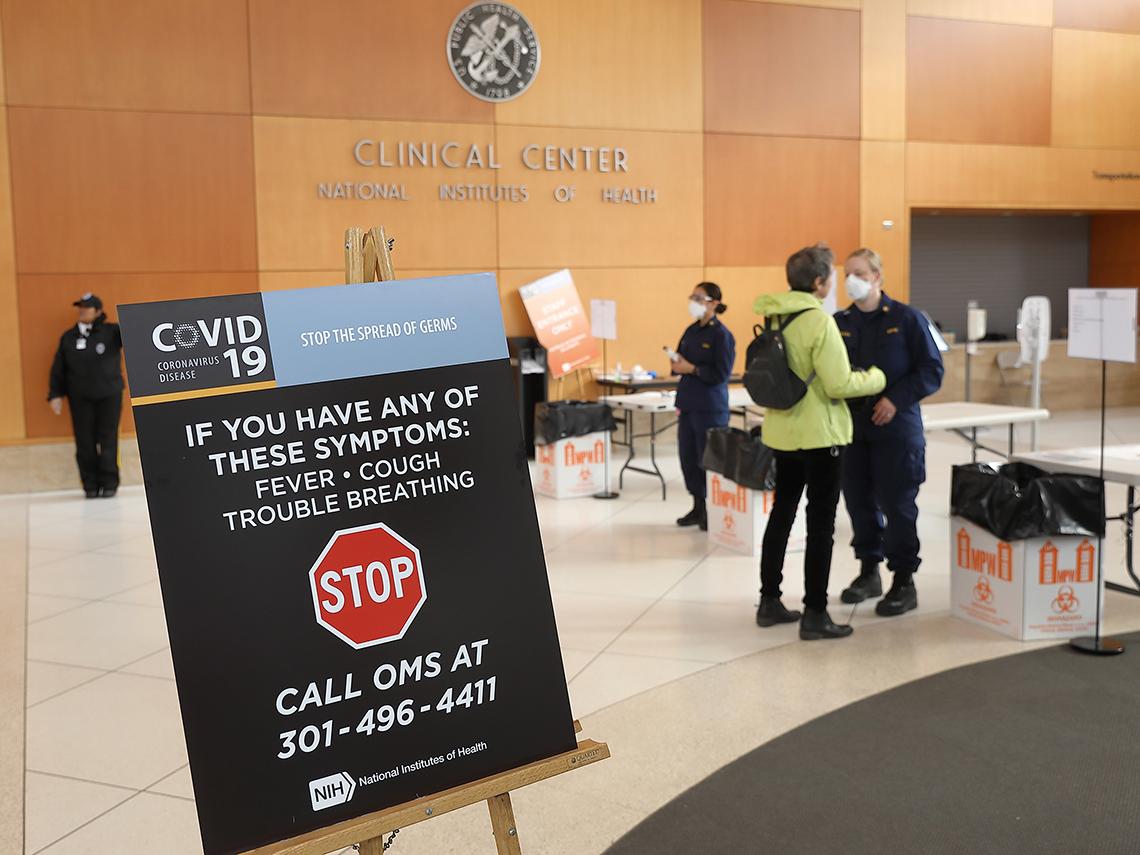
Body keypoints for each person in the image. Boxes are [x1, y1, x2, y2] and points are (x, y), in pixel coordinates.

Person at [753, 245, 886, 640]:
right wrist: (876, 378)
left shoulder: (774, 315)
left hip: (782, 432)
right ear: (818, 282)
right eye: (831, 276)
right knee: (821, 524)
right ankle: (815, 613)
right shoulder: (819, 321)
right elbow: (839, 383)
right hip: (820, 435)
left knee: (782, 515)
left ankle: (769, 601)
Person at [835, 248, 944, 616]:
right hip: (853, 431)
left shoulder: (908, 319)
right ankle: (869, 571)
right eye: (848, 273)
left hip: (897, 430)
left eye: (860, 273)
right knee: (858, 502)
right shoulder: (840, 322)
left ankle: (903, 581)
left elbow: (932, 371)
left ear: (878, 277)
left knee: (898, 506)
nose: (853, 279)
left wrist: (895, 399)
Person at [671, 282, 735, 531]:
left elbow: (722, 373)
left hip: (710, 407)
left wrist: (694, 369)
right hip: (687, 404)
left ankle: (713, 511)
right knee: (688, 458)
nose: (693, 302)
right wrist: (676, 363)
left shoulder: (721, 335)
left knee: (707, 460)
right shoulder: (690, 330)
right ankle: (698, 507)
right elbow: (680, 357)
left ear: (714, 303)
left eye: (699, 298)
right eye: (692, 297)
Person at [48, 293, 124, 498]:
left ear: (98, 311)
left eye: (87, 307)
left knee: (108, 439)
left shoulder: (112, 331)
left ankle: (110, 483)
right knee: (84, 442)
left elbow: (135, 336)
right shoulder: (69, 337)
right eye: (80, 306)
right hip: (80, 398)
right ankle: (90, 484)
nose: (82, 310)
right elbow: (59, 368)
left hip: (109, 395)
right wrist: (55, 394)